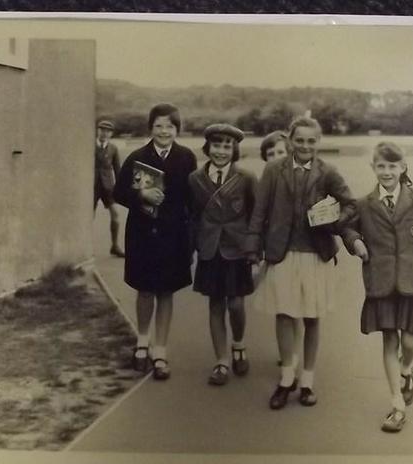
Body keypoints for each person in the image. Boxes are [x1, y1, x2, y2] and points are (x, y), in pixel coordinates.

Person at [341, 141, 413, 432]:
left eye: (392, 166)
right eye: (381, 166)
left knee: (409, 341)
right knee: (389, 340)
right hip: (381, 280)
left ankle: (407, 369)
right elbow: (346, 226)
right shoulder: (364, 204)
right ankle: (397, 404)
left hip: (412, 280)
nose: (386, 172)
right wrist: (355, 242)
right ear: (373, 167)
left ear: (403, 167)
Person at [246, 116, 356, 410]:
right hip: (281, 253)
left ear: (318, 142)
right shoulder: (273, 170)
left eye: (311, 141)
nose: (305, 146)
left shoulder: (328, 172)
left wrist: (332, 220)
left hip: (315, 254)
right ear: (290, 141)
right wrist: (253, 250)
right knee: (284, 314)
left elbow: (351, 205)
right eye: (299, 140)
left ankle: (307, 381)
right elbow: (259, 212)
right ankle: (286, 378)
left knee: (311, 317)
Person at [113, 103, 197, 380]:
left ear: (177, 129)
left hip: (174, 235)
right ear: (150, 128)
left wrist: (191, 238)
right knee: (145, 290)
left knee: (166, 292)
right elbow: (118, 192)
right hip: (143, 234)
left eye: (170, 126)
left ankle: (160, 350)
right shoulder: (138, 157)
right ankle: (142, 342)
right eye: (159, 126)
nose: (164, 131)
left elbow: (191, 200)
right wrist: (142, 195)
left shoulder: (186, 158)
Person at [189, 124, 257, 385]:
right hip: (210, 249)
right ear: (208, 148)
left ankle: (238, 344)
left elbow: (256, 216)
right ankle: (221, 361)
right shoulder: (195, 179)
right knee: (215, 304)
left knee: (236, 304)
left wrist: (254, 249)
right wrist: (194, 245)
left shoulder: (246, 178)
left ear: (234, 149)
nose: (221, 151)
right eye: (216, 145)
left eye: (227, 146)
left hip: (237, 249)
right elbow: (192, 216)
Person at [259, 131, 303, 372]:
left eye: (280, 152)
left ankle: (294, 354)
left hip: (299, 250)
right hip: (276, 251)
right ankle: (287, 354)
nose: (275, 157)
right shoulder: (265, 183)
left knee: (296, 307)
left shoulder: (298, 180)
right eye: (270, 154)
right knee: (282, 306)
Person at [94, 119, 125, 257]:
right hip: (92, 187)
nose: (104, 133)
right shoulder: (89, 146)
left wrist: (121, 187)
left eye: (107, 131)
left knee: (116, 215)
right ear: (97, 131)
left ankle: (115, 246)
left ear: (111, 134)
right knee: (88, 217)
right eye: (102, 130)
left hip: (108, 187)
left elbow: (118, 169)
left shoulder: (113, 148)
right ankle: (83, 249)